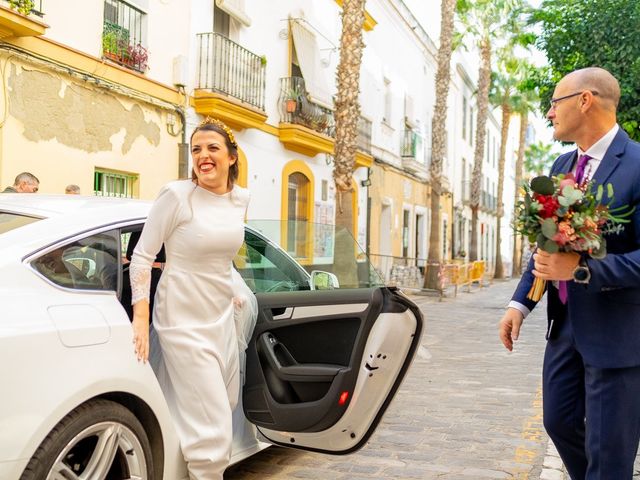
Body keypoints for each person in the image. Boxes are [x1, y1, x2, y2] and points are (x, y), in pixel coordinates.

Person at [499, 67, 640, 479]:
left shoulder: (636, 164)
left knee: (608, 450)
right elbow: (548, 245)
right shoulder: (562, 163)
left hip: (618, 333)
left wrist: (581, 270)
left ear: (585, 100)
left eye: (555, 102)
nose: (548, 113)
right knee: (557, 422)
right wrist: (519, 304)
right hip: (564, 330)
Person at [129, 117, 251, 480]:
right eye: (197, 149)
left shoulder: (239, 199)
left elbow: (220, 256)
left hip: (220, 315)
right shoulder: (176, 195)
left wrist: (231, 290)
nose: (203, 156)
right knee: (213, 429)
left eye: (213, 148)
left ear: (231, 157)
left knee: (217, 407)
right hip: (181, 317)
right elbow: (142, 256)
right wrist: (140, 317)